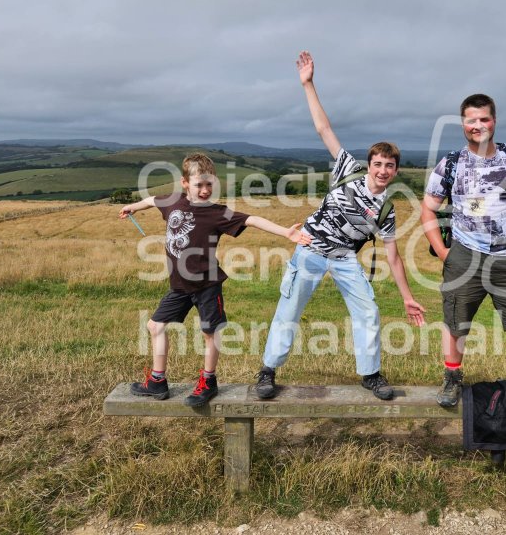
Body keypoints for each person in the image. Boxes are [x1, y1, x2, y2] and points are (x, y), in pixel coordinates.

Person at [252, 51, 426, 401]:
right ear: (369, 164)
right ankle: (267, 372)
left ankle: (371, 375)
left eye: (389, 166)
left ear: (396, 171)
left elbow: (393, 257)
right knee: (289, 310)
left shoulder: (387, 210)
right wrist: (308, 84)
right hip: (311, 249)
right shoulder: (347, 169)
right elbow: (323, 128)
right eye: (378, 163)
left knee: (368, 311)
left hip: (346, 259)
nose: (382, 170)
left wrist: (407, 297)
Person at [120, 153, 311, 407]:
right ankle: (157, 382)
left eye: (210, 184)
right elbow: (152, 200)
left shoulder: (216, 213)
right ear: (185, 183)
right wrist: (132, 207)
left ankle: (208, 381)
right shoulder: (172, 202)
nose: (205, 190)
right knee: (155, 326)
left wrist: (285, 232)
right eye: (199, 184)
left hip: (207, 285)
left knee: (210, 333)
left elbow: (251, 220)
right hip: (179, 287)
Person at [420, 94, 506, 409]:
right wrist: (444, 253)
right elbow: (428, 210)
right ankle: (452, 377)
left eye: (484, 119)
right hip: (465, 253)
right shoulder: (451, 163)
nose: (478, 126)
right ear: (463, 124)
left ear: (494, 121)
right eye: (471, 120)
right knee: (455, 319)